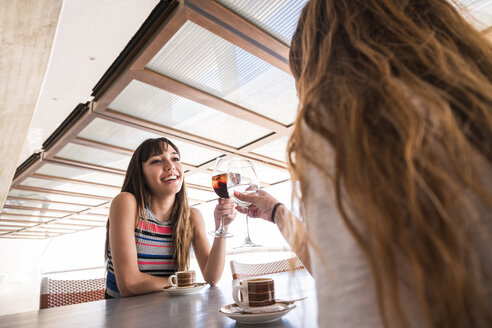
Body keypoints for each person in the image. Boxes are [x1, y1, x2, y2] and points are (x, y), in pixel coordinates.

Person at [235, 0, 492, 327]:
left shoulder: (343, 125)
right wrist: (275, 212)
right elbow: (347, 267)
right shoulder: (474, 104)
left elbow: (353, 304)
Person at [105, 137, 235, 298]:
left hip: (168, 310)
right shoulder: (126, 203)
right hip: (124, 315)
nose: (170, 166)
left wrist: (222, 226)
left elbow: (211, 277)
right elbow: (129, 284)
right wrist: (184, 284)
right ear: (140, 173)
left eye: (175, 158)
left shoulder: (192, 217)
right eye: (156, 161)